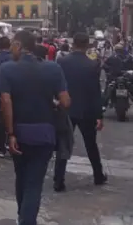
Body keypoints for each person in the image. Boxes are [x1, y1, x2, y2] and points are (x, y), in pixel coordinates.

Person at [0, 30, 70, 225]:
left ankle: (24, 217)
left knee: (21, 177)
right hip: (44, 133)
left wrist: (10, 133)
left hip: (19, 131)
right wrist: (52, 102)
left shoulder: (7, 69)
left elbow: (6, 101)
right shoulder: (53, 69)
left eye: (13, 43)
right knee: (34, 182)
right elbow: (65, 101)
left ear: (19, 46)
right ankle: (26, 219)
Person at [53, 33, 107, 192]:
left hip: (66, 108)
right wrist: (99, 115)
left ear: (73, 44)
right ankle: (98, 175)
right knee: (91, 144)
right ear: (87, 45)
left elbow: (57, 85)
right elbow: (96, 92)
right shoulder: (92, 65)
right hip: (87, 110)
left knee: (64, 144)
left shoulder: (62, 62)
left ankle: (58, 179)